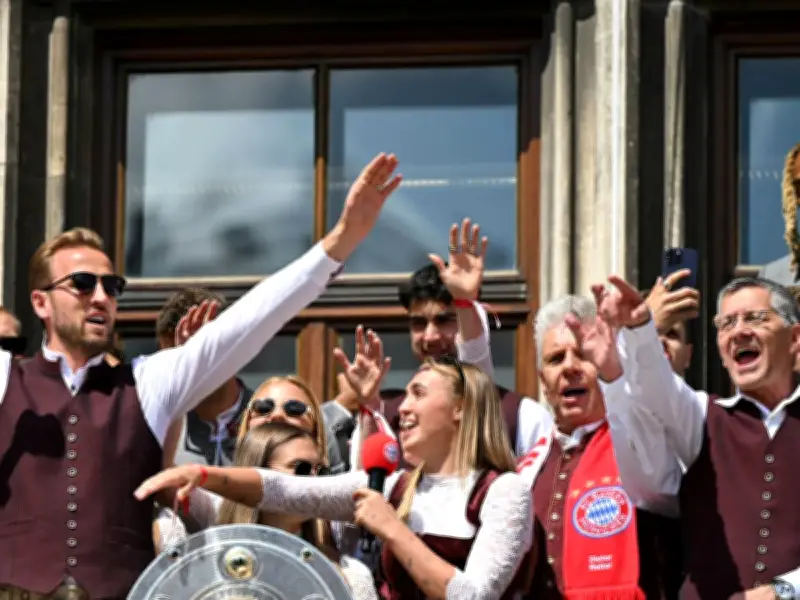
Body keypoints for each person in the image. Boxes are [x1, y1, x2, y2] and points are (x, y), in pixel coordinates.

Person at [0, 152, 402, 599]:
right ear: (40, 303)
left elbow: (249, 321)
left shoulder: (148, 384)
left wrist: (341, 242)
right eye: (81, 284)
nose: (100, 298)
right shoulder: (6, 379)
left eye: (111, 287)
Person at [136, 334, 533, 600]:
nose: (404, 407)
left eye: (418, 393)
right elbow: (285, 491)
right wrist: (205, 475)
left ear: (462, 409)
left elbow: (474, 595)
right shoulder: (396, 486)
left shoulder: (504, 491)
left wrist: (393, 529)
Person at [573, 274, 800, 600]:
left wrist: (786, 590)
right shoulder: (703, 414)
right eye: (726, 324)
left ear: (795, 339)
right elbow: (657, 391)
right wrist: (638, 333)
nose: (739, 331)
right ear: (721, 353)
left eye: (755, 318)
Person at [515, 295, 682, 599]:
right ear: (543, 381)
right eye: (556, 359)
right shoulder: (526, 467)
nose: (569, 367)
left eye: (582, 355)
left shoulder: (639, 443)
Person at [161, 422, 378, 600]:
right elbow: (160, 474)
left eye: (322, 471)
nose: (315, 481)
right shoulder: (201, 564)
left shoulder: (350, 576)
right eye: (301, 469)